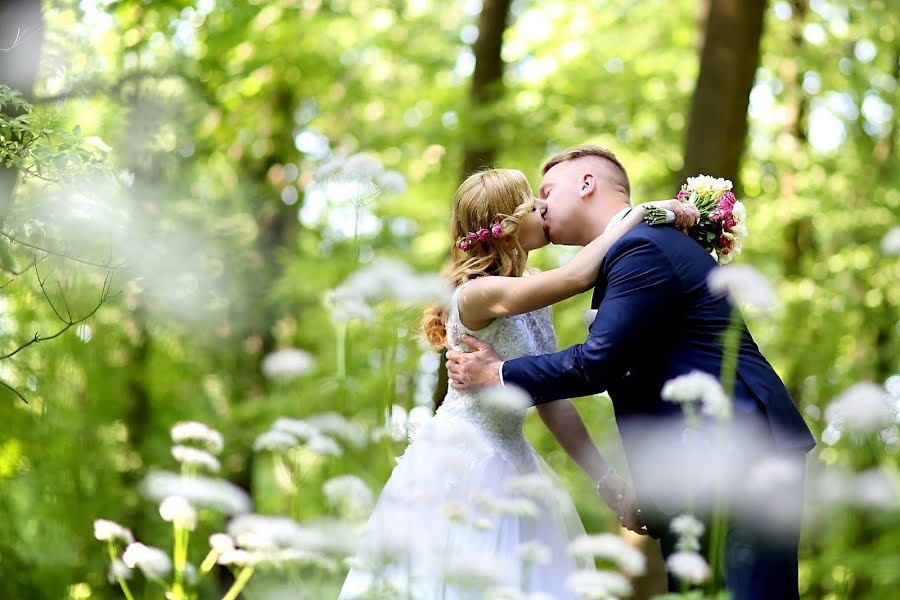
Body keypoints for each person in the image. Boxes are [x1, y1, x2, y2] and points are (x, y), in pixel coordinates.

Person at [446, 145, 816, 599]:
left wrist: (500, 373)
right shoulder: (630, 248)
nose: (540, 205)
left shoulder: (641, 246)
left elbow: (599, 362)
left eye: (547, 191)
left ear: (586, 185)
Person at [338, 167, 695, 599]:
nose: (544, 206)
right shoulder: (477, 293)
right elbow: (574, 278)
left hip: (513, 458)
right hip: (463, 462)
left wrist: (607, 480)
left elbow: (552, 401)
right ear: (505, 226)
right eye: (532, 202)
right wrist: (637, 216)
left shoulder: (524, 289)